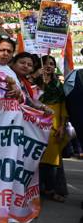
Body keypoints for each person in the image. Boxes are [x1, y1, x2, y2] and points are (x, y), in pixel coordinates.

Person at [37, 55, 69, 202]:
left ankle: (53, 189)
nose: (49, 66)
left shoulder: (57, 85)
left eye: (52, 63)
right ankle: (38, 189)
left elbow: (63, 106)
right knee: (36, 157)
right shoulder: (34, 81)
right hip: (35, 123)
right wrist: (39, 84)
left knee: (53, 160)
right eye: (46, 63)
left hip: (54, 125)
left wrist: (62, 126)